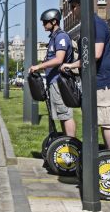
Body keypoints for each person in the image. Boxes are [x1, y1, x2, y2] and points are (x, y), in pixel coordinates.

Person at [59, 0, 110, 150]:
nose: (72, 11)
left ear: (81, 5)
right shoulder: (88, 25)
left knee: (107, 123)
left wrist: (72, 65)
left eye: (73, 7)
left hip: (104, 82)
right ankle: (105, 159)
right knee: (100, 122)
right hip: (96, 83)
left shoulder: (96, 24)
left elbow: (95, 53)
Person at [28, 8, 75, 136]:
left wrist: (39, 66)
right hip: (53, 82)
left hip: (60, 82)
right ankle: (66, 143)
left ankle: (72, 145)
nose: (43, 25)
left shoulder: (61, 36)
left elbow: (59, 59)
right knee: (61, 115)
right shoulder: (53, 38)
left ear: (54, 21)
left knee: (65, 114)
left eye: (45, 22)